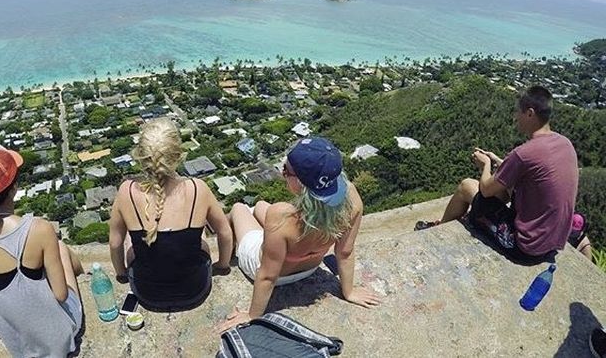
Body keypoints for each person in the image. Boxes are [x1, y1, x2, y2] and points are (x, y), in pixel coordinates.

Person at [219, 137, 381, 332]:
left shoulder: (281, 215)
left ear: (302, 183)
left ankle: (225, 259)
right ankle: (257, 220)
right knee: (261, 205)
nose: (283, 173)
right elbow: (345, 252)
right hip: (309, 268)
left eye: (286, 171)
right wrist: (349, 292)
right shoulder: (352, 199)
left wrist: (253, 315)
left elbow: (267, 276)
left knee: (238, 208)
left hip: (270, 271)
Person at [415, 86, 578, 263]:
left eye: (518, 112)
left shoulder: (524, 153)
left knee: (466, 187)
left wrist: (485, 165)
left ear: (530, 113)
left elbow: (485, 190)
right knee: (502, 191)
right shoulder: (565, 144)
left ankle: (439, 230)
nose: (516, 117)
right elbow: (533, 174)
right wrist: (500, 162)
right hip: (551, 243)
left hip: (524, 247)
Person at [0, 142, 84, 357]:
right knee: (60, 248)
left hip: (19, 344)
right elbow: (61, 295)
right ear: (14, 187)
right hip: (58, 340)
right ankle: (85, 274)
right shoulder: (37, 229)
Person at [108, 118, 232, 312]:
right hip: (195, 290)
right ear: (177, 155)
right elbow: (224, 232)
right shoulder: (197, 188)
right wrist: (223, 265)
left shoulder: (127, 192)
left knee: (129, 244)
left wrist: (122, 274)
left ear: (141, 156)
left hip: (147, 294)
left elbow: (115, 243)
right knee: (201, 241)